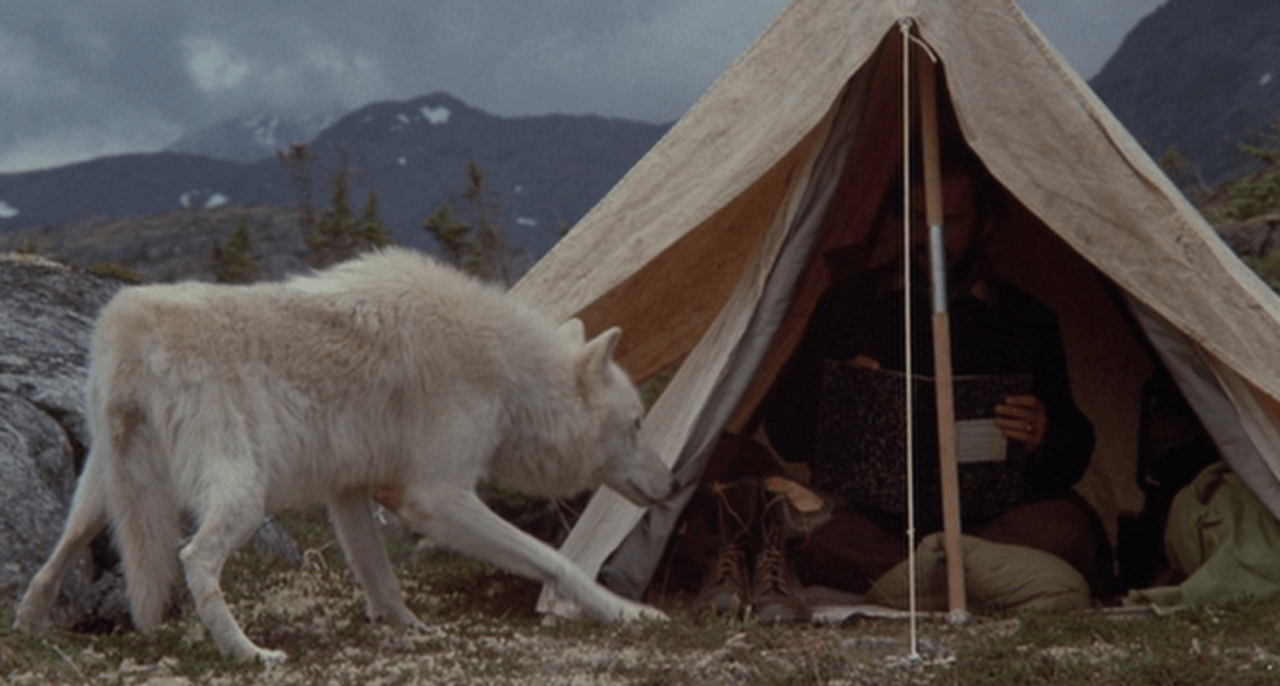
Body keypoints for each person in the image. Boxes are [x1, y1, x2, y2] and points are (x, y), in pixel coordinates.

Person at [689, 156, 1114, 620]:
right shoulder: (848, 307)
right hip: (871, 527)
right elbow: (786, 429)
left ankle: (919, 580)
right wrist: (837, 398)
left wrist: (1042, 433)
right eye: (916, 219)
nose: (930, 237)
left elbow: (1073, 452)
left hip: (991, 527)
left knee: (1068, 527)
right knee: (800, 522)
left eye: (950, 222)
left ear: (986, 223)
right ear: (898, 216)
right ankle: (951, 581)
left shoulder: (1026, 319)